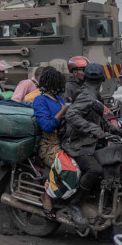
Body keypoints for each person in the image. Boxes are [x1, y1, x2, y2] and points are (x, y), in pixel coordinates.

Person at [60, 62, 116, 226]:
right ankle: (75, 204)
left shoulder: (91, 93)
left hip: (88, 140)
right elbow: (72, 114)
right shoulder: (88, 95)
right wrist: (94, 130)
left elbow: (97, 116)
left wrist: (115, 129)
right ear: (103, 79)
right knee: (95, 169)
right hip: (77, 143)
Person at [32, 67, 69, 218]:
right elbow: (46, 126)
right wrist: (63, 111)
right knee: (69, 165)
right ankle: (46, 195)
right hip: (49, 145)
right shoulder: (40, 100)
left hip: (64, 141)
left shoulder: (58, 98)